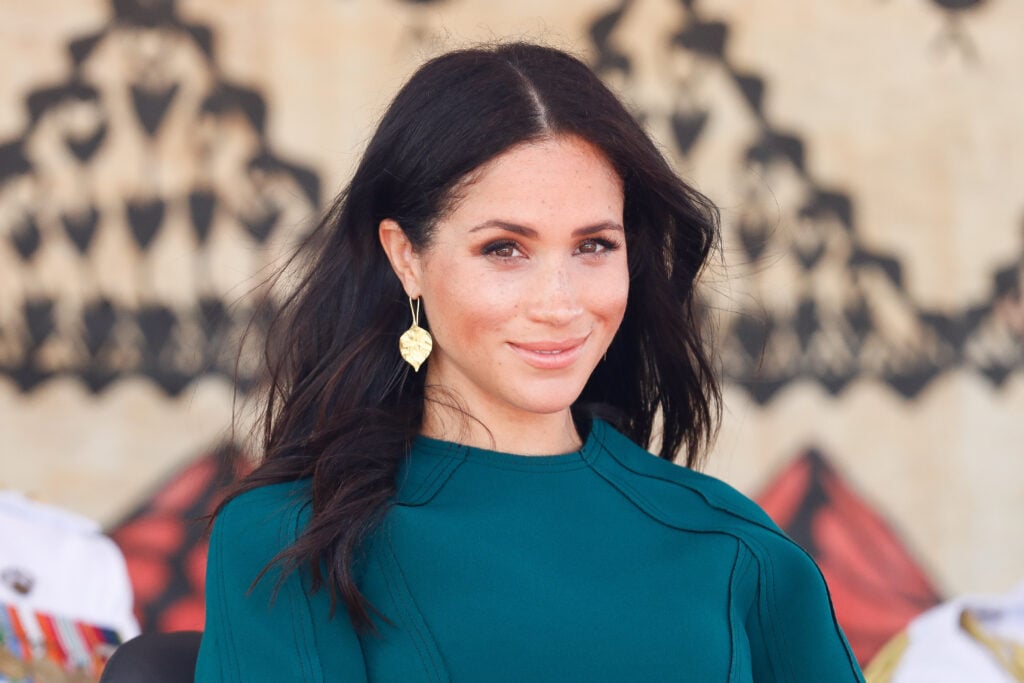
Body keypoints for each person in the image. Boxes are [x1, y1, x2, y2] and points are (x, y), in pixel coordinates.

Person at [195, 42, 864, 682]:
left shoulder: (736, 548)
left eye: (594, 246)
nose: (559, 303)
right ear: (407, 258)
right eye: (504, 249)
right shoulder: (289, 541)